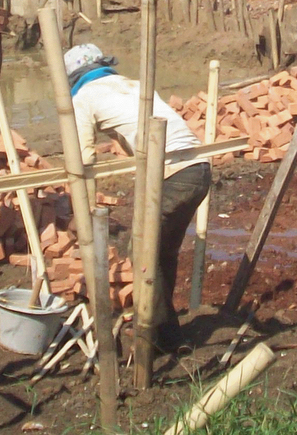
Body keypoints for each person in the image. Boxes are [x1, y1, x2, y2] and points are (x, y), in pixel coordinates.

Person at [65, 42, 209, 353]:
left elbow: (83, 159)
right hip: (199, 170)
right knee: (161, 253)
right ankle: (168, 333)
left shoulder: (83, 97)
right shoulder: (134, 85)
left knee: (141, 251)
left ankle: (153, 336)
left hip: (173, 175)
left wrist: (82, 212)